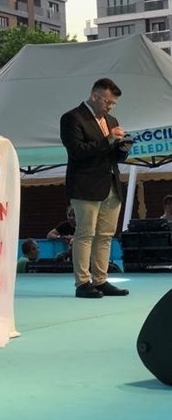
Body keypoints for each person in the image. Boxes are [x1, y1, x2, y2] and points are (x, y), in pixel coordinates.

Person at [60, 78, 132, 299]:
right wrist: (109, 139)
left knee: (105, 235)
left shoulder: (111, 120)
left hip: (111, 184)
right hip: (85, 185)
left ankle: (100, 280)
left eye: (113, 104)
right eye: (108, 102)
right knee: (85, 234)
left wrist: (122, 149)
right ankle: (83, 283)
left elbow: (111, 156)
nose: (110, 107)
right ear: (95, 96)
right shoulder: (72, 118)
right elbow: (77, 151)